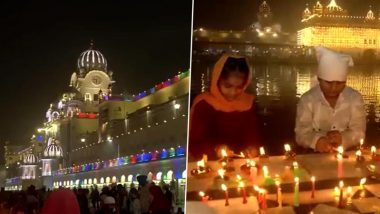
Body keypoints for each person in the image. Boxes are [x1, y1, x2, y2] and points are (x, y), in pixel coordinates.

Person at [189, 54, 261, 160]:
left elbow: (252, 136)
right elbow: (195, 143)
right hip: (210, 163)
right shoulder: (204, 104)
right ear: (217, 80)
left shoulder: (248, 103)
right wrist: (216, 149)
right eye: (227, 86)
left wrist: (252, 148)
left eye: (239, 87)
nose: (233, 93)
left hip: (241, 163)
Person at [295, 46, 366, 152]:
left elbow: (359, 132)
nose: (333, 88)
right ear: (319, 79)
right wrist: (316, 141)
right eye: (328, 83)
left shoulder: (354, 98)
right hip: (314, 156)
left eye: (339, 83)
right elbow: (301, 133)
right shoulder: (307, 100)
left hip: (347, 154)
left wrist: (343, 138)